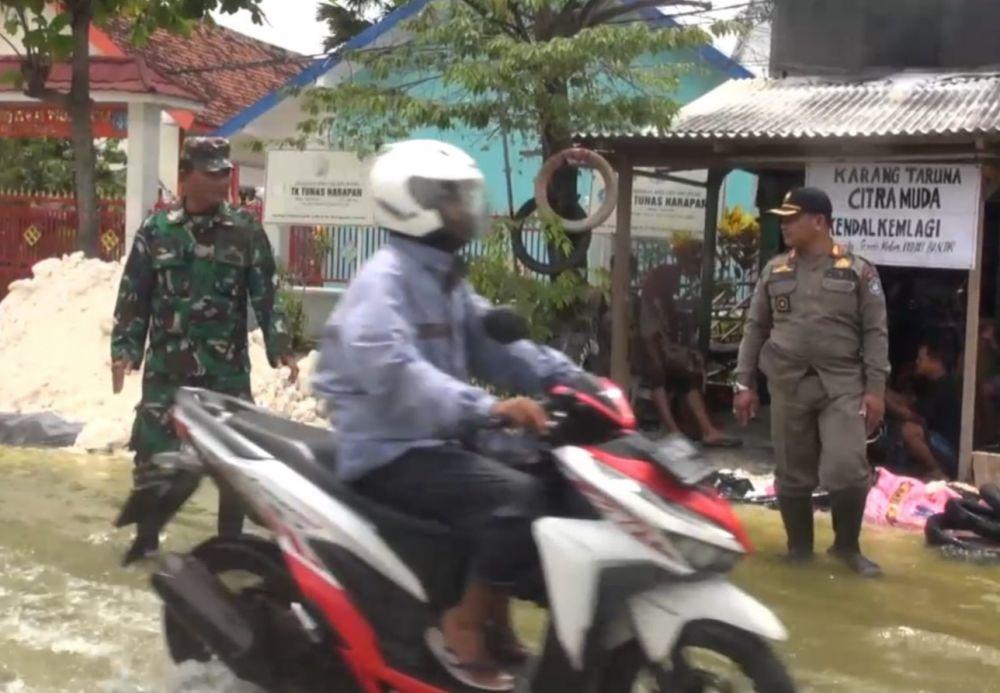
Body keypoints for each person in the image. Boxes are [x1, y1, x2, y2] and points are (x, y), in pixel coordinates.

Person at [312, 140, 581, 691]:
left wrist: (578, 382)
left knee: (550, 473)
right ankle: (462, 621)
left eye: (464, 199)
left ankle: (496, 615)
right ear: (413, 204)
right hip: (390, 450)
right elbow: (399, 376)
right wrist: (488, 407)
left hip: (439, 442)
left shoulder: (445, 279)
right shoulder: (382, 284)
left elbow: (498, 346)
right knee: (514, 497)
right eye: (453, 199)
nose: (465, 210)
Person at [111, 137, 297, 560]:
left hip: (224, 371)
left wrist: (280, 345)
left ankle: (229, 544)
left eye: (223, 172)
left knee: (233, 462)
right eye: (211, 172)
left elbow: (266, 294)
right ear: (185, 175)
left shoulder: (245, 231)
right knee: (153, 456)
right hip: (167, 370)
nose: (221, 180)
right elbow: (133, 296)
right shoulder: (156, 232)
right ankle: (146, 540)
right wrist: (124, 348)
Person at [734, 187, 889, 578]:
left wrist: (876, 391)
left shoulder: (858, 271)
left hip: (841, 385)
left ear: (819, 221)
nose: (784, 225)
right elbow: (755, 329)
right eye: (783, 218)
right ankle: (799, 551)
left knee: (846, 467)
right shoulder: (775, 271)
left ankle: (846, 547)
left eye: (792, 217)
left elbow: (875, 333)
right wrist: (743, 383)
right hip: (788, 383)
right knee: (791, 473)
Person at [638, 263, 740, 447]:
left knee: (688, 377)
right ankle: (673, 430)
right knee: (658, 377)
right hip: (646, 355)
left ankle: (707, 430)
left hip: (663, 353)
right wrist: (660, 361)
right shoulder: (647, 301)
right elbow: (648, 337)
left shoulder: (665, 301)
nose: (678, 283)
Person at [885, 338, 961, 479]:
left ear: (936, 362)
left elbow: (913, 416)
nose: (917, 362)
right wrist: (881, 390)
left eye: (921, 358)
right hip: (934, 440)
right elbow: (907, 401)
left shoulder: (945, 388)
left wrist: (883, 400)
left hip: (949, 449)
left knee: (909, 431)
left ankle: (937, 470)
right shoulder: (930, 383)